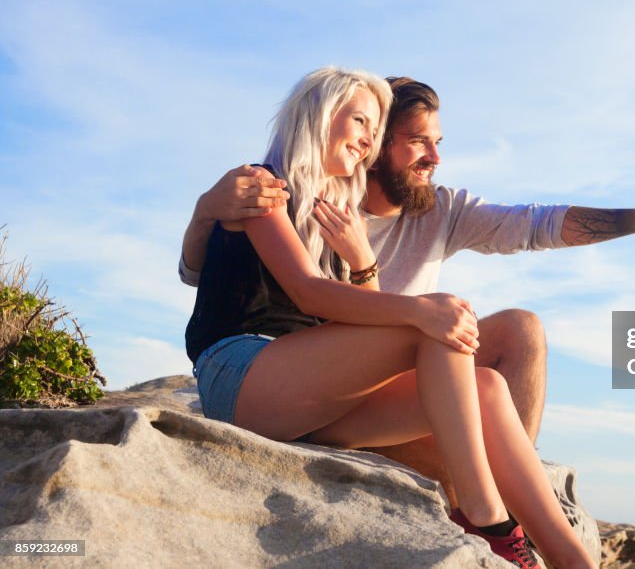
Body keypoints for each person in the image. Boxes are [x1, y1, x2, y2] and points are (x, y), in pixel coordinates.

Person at [180, 77, 635, 505]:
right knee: (434, 334)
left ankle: (508, 502)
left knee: (519, 328)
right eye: (417, 141)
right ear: (372, 147)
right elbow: (208, 279)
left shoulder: (442, 211)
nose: (435, 157)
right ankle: (500, 502)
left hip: (406, 394)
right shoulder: (318, 200)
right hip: (320, 392)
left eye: (438, 142)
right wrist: (207, 208)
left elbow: (537, 224)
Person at [185, 66, 595, 569]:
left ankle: (571, 559)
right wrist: (421, 309)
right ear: (319, 114)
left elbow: (361, 322)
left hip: (306, 400)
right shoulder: (261, 186)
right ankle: (485, 516)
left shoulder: (335, 208)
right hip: (242, 374)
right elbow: (308, 293)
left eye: (374, 131)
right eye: (359, 121)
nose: (366, 140)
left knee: (486, 387)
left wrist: (363, 263)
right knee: (431, 320)